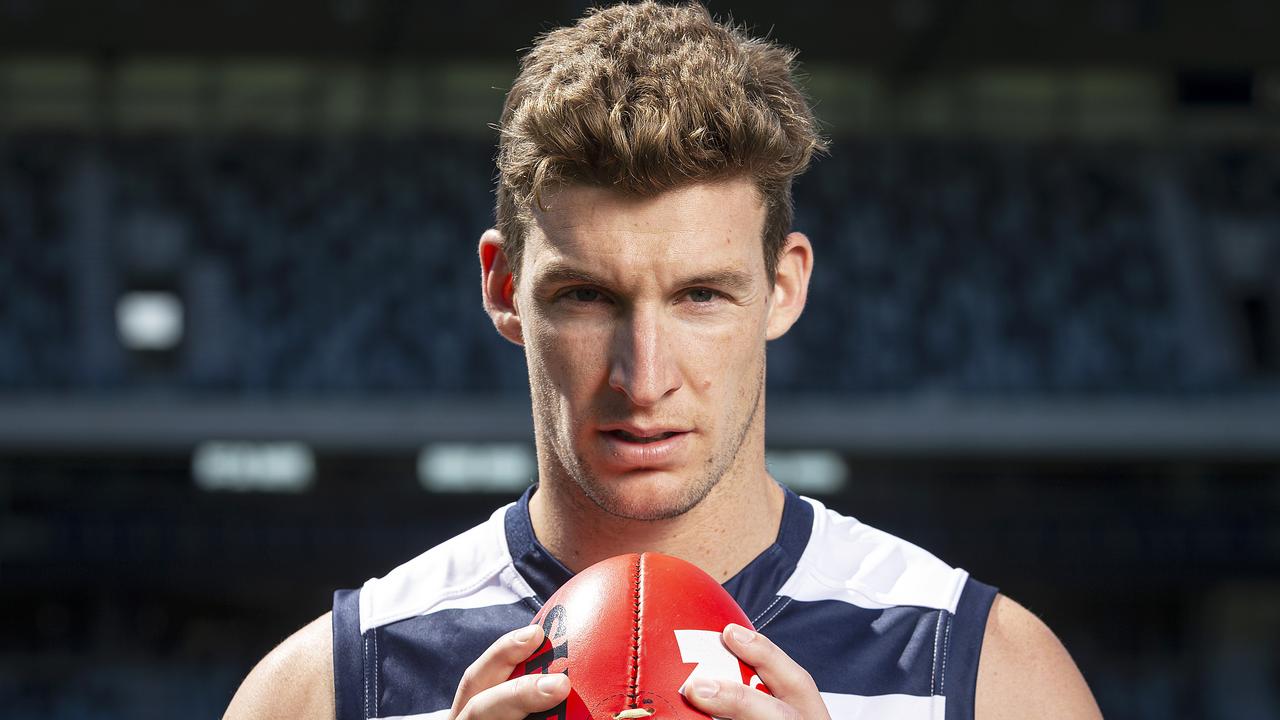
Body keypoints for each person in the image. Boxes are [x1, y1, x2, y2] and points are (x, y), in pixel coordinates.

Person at [225, 3, 1102, 719]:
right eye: (587, 297)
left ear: (784, 286)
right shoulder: (325, 690)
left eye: (701, 297)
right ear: (502, 288)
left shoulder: (984, 675)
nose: (644, 379)